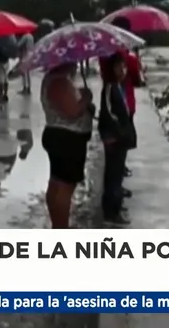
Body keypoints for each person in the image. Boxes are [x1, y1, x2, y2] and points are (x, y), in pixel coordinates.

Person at [40, 62, 94, 228]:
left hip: (61, 137)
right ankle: (61, 227)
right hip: (67, 140)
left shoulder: (56, 80)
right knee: (64, 188)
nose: (76, 66)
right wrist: (86, 99)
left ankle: (58, 224)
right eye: (73, 62)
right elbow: (72, 112)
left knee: (56, 183)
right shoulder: (59, 82)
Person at [102, 16, 144, 181]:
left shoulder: (104, 51)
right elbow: (137, 80)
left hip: (108, 100)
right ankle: (115, 188)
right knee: (121, 144)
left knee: (111, 146)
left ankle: (114, 183)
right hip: (124, 102)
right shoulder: (125, 55)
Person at [98, 53, 136, 226]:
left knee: (117, 175)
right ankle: (111, 213)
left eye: (125, 67)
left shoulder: (119, 87)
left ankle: (115, 209)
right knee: (113, 176)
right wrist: (112, 135)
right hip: (114, 139)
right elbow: (107, 115)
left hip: (120, 138)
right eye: (119, 67)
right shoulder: (110, 88)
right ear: (112, 69)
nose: (123, 70)